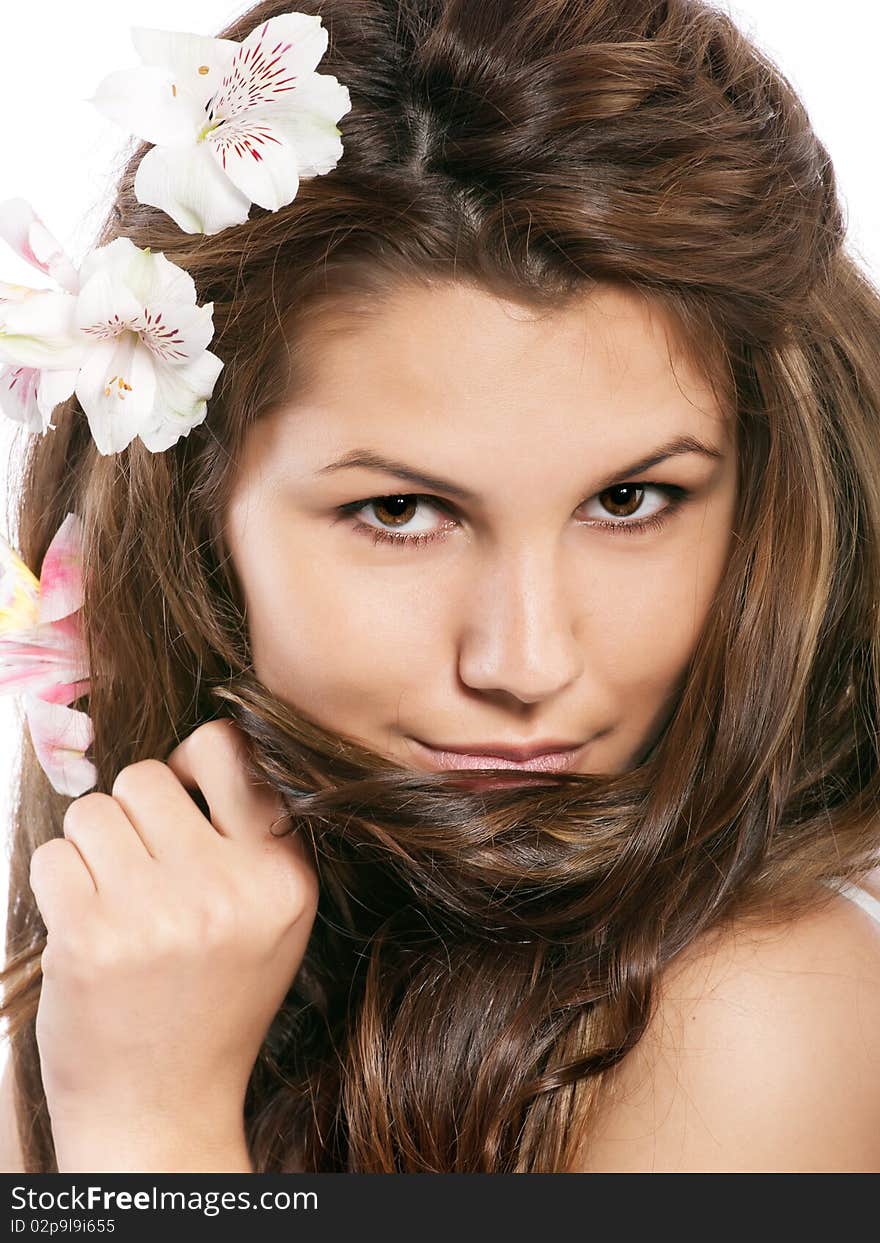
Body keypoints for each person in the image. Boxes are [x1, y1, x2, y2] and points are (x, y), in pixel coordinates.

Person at [1, 0, 880, 1174]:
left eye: (630, 501)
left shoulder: (759, 1012)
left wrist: (147, 1124)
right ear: (195, 519)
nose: (525, 664)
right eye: (401, 512)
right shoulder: (124, 974)